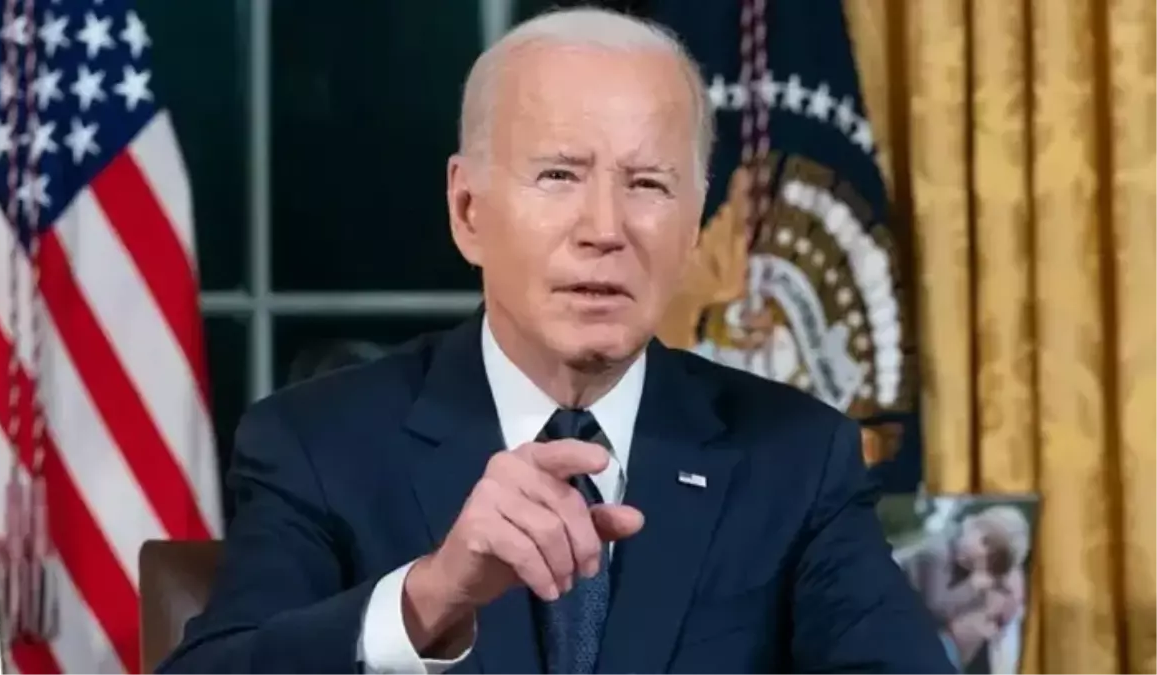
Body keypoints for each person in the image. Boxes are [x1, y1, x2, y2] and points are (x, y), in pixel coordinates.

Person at [158, 8, 953, 674]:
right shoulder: (319, 444)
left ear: (693, 224)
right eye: (559, 176)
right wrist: (430, 595)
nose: (605, 229)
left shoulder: (795, 456)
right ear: (468, 211)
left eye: (648, 184)